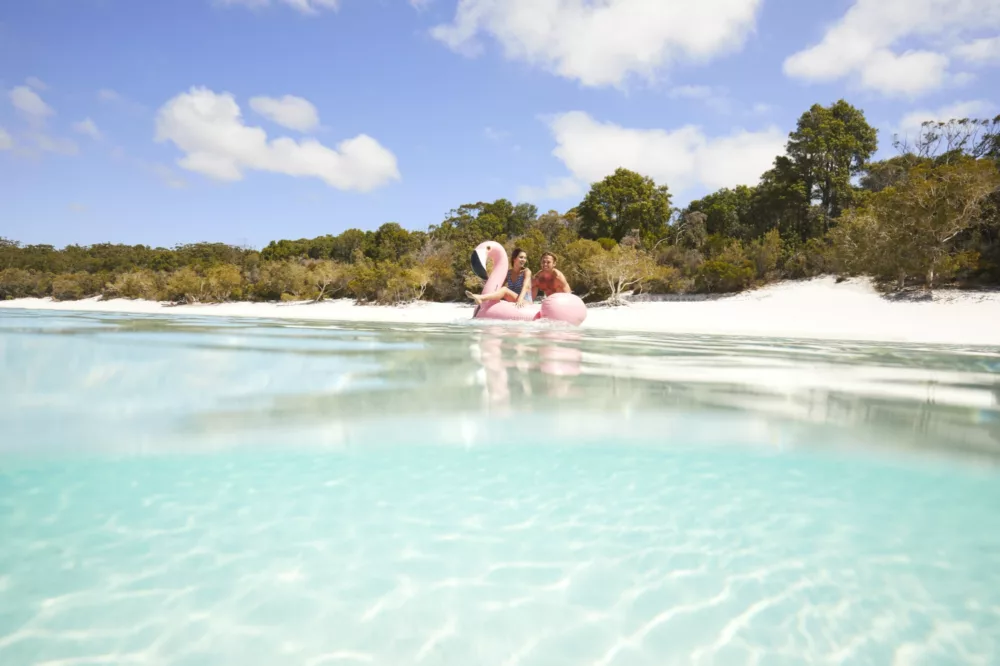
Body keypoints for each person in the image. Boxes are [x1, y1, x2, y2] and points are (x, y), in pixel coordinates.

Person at [466, 247, 533, 308]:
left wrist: (520, 300)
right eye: (521, 257)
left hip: (525, 301)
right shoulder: (508, 273)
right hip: (514, 300)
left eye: (525, 258)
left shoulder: (526, 271)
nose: (523, 260)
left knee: (505, 290)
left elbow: (525, 287)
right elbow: (498, 287)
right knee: (503, 289)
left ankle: (481, 297)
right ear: (514, 258)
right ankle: (481, 299)